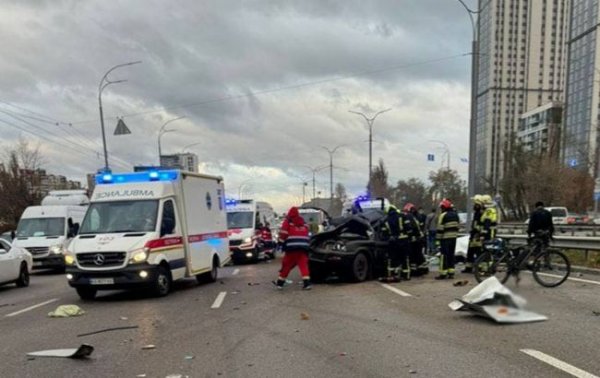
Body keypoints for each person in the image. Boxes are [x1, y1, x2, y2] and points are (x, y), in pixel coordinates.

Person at [273, 207, 312, 290]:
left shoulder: (288, 221)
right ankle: (307, 284)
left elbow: (283, 233)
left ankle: (280, 284)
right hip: (303, 247)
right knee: (303, 265)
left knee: (286, 265)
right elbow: (307, 232)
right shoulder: (303, 222)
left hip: (292, 247)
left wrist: (280, 243)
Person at [435, 198, 459, 280]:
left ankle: (443, 273)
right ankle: (451, 272)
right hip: (454, 238)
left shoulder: (443, 215)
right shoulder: (456, 215)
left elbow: (440, 229)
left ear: (444, 207)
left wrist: (438, 240)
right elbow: (457, 226)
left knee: (443, 256)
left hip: (445, 238)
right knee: (451, 255)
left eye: (442, 207)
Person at [384, 205, 411, 280]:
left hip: (393, 241)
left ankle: (392, 275)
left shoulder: (386, 219)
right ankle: (406, 275)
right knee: (404, 258)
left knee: (392, 258)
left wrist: (389, 237)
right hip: (403, 240)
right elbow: (408, 227)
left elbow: (384, 232)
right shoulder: (402, 216)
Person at [403, 203, 426, 276]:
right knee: (419, 255)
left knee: (413, 255)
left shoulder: (409, 216)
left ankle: (415, 271)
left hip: (415, 239)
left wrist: (409, 236)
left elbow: (411, 228)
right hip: (419, 238)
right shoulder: (416, 216)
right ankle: (421, 269)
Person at [463, 195, 483, 273]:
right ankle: (468, 268)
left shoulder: (480, 213)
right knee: (470, 252)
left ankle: (479, 268)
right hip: (473, 235)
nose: (474, 205)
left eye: (475, 203)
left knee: (478, 252)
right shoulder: (477, 213)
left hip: (477, 235)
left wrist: (477, 232)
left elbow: (478, 225)